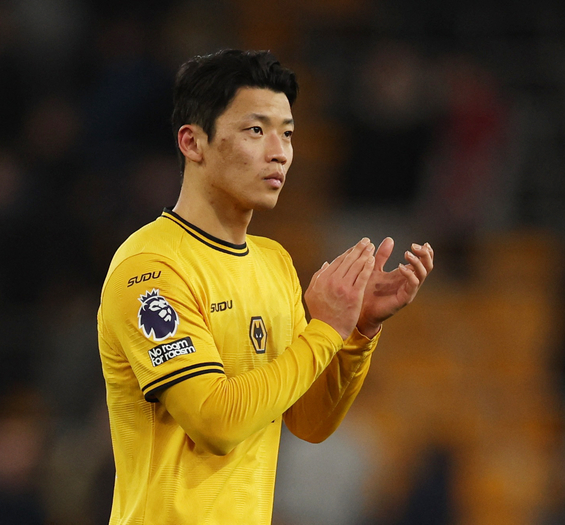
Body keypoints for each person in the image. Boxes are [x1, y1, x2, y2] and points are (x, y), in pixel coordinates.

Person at [97, 49, 434, 524]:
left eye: (287, 134)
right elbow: (215, 421)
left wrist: (357, 332)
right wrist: (326, 331)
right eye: (256, 131)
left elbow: (310, 422)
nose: (279, 152)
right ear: (193, 143)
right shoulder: (150, 268)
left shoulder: (274, 263)